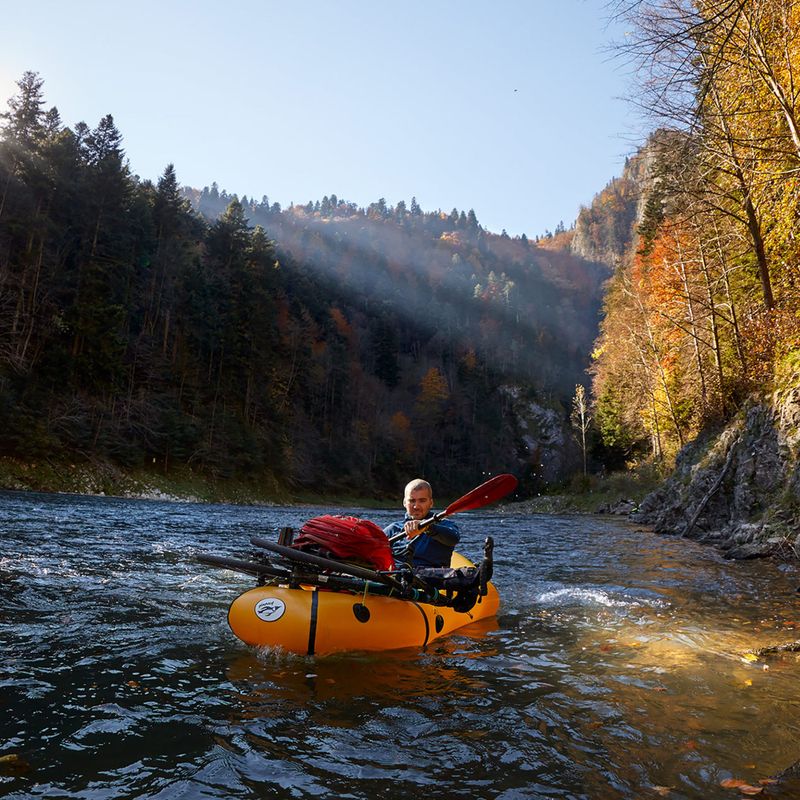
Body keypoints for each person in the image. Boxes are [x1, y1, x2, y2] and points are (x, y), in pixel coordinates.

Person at [383, 478, 461, 568]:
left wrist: (428, 528)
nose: (416, 506)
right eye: (412, 501)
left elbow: (454, 539)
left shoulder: (444, 525)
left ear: (431, 503)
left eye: (422, 501)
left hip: (432, 577)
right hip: (397, 577)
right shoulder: (393, 529)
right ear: (404, 503)